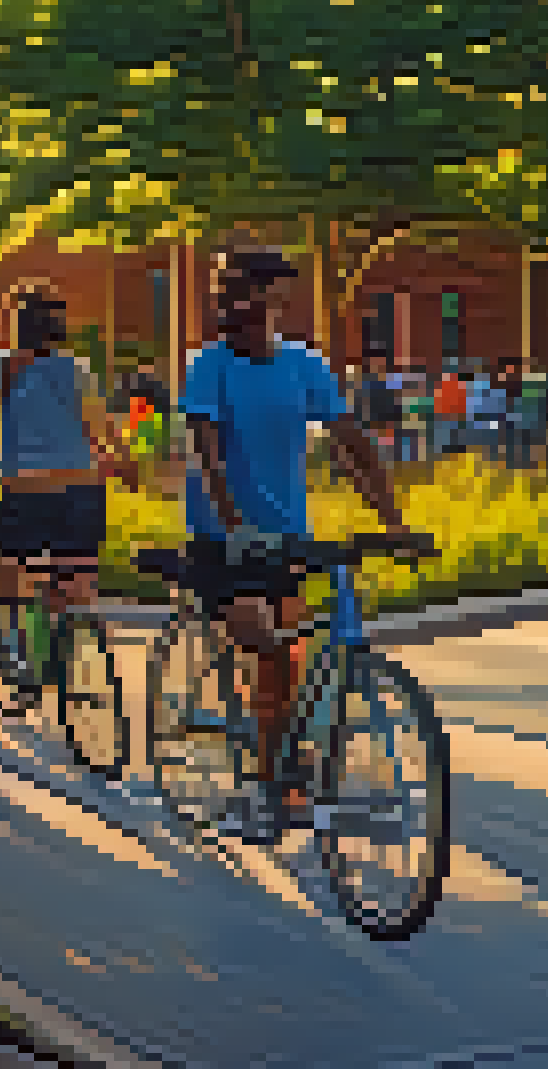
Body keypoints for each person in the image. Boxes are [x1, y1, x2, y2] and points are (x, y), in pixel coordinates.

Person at [174, 247, 413, 845]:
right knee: (265, 644)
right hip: (223, 542)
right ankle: (259, 780)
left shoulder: (305, 364)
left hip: (286, 540)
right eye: (261, 296)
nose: (271, 310)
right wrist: (228, 520)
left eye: (280, 299)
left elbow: (351, 443)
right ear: (235, 299)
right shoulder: (210, 366)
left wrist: (393, 520)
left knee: (290, 660)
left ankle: (280, 766)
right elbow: (205, 449)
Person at [0, 283, 139, 691]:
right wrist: (123, 458)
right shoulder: (76, 369)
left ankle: (12, 639)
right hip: (81, 491)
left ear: (15, 324)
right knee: (73, 579)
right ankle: (61, 653)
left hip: (24, 491)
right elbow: (100, 428)